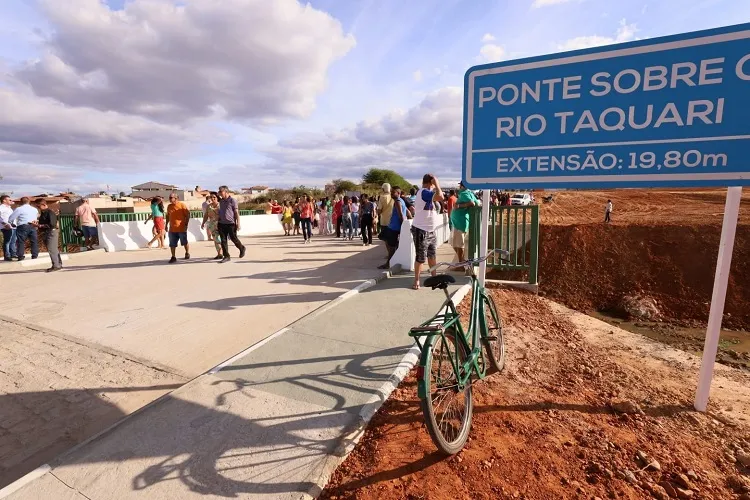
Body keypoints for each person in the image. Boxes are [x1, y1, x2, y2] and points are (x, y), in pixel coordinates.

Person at [411, 174, 444, 290]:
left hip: (430, 230)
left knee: (432, 255)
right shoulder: (424, 192)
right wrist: (437, 184)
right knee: (420, 258)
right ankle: (416, 280)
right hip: (421, 230)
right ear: (430, 182)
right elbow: (440, 197)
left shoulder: (426, 193)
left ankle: (434, 277)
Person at [451, 181, 478, 270]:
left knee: (459, 245)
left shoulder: (463, 193)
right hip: (460, 222)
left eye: (460, 185)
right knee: (456, 244)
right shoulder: (470, 193)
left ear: (462, 186)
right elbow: (477, 202)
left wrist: (459, 206)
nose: (459, 187)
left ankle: (461, 265)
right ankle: (462, 262)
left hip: (459, 223)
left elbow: (472, 203)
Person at [378, 186, 406, 270]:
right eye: (391, 192)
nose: (391, 194)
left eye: (393, 192)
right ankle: (391, 261)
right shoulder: (401, 201)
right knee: (385, 239)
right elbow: (407, 211)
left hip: (393, 227)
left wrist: (403, 226)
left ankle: (388, 264)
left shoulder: (397, 201)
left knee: (391, 247)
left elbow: (401, 214)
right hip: (392, 226)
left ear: (398, 193)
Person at [217, 185, 246, 262]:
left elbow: (236, 212)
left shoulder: (232, 200)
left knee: (234, 239)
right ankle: (226, 256)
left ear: (226, 192)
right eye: (219, 191)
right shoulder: (221, 201)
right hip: (221, 223)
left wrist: (238, 223)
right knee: (223, 240)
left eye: (221, 191)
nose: (219, 193)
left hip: (231, 224)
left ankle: (241, 248)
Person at [37, 200, 62, 272]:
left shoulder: (50, 213)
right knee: (53, 249)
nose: (38, 208)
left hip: (51, 232)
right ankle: (58, 264)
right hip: (47, 232)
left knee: (52, 249)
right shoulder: (43, 213)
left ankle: (56, 265)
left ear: (44, 205)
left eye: (39, 206)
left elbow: (52, 224)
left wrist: (40, 225)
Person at [165, 193, 190, 263]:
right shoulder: (169, 206)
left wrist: (186, 224)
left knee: (184, 242)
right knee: (172, 244)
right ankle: (173, 257)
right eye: (169, 198)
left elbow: (188, 215)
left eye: (171, 198)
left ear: (176, 198)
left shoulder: (182, 205)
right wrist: (166, 225)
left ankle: (187, 252)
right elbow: (167, 216)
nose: (170, 199)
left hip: (181, 228)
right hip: (172, 229)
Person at [201, 192, 224, 260]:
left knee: (222, 239)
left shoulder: (221, 205)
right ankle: (219, 254)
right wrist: (203, 223)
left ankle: (224, 253)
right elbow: (206, 215)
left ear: (217, 197)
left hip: (220, 224)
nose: (212, 198)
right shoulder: (209, 206)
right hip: (212, 224)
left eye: (214, 197)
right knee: (216, 239)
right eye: (211, 197)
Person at [0, 195, 17, 261]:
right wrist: (4, 224)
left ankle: (13, 254)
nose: (11, 201)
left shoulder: (9, 208)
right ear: (4, 200)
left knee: (13, 241)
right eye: (9, 200)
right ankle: (7, 256)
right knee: (7, 241)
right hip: (6, 227)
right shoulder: (1, 208)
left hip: (13, 227)